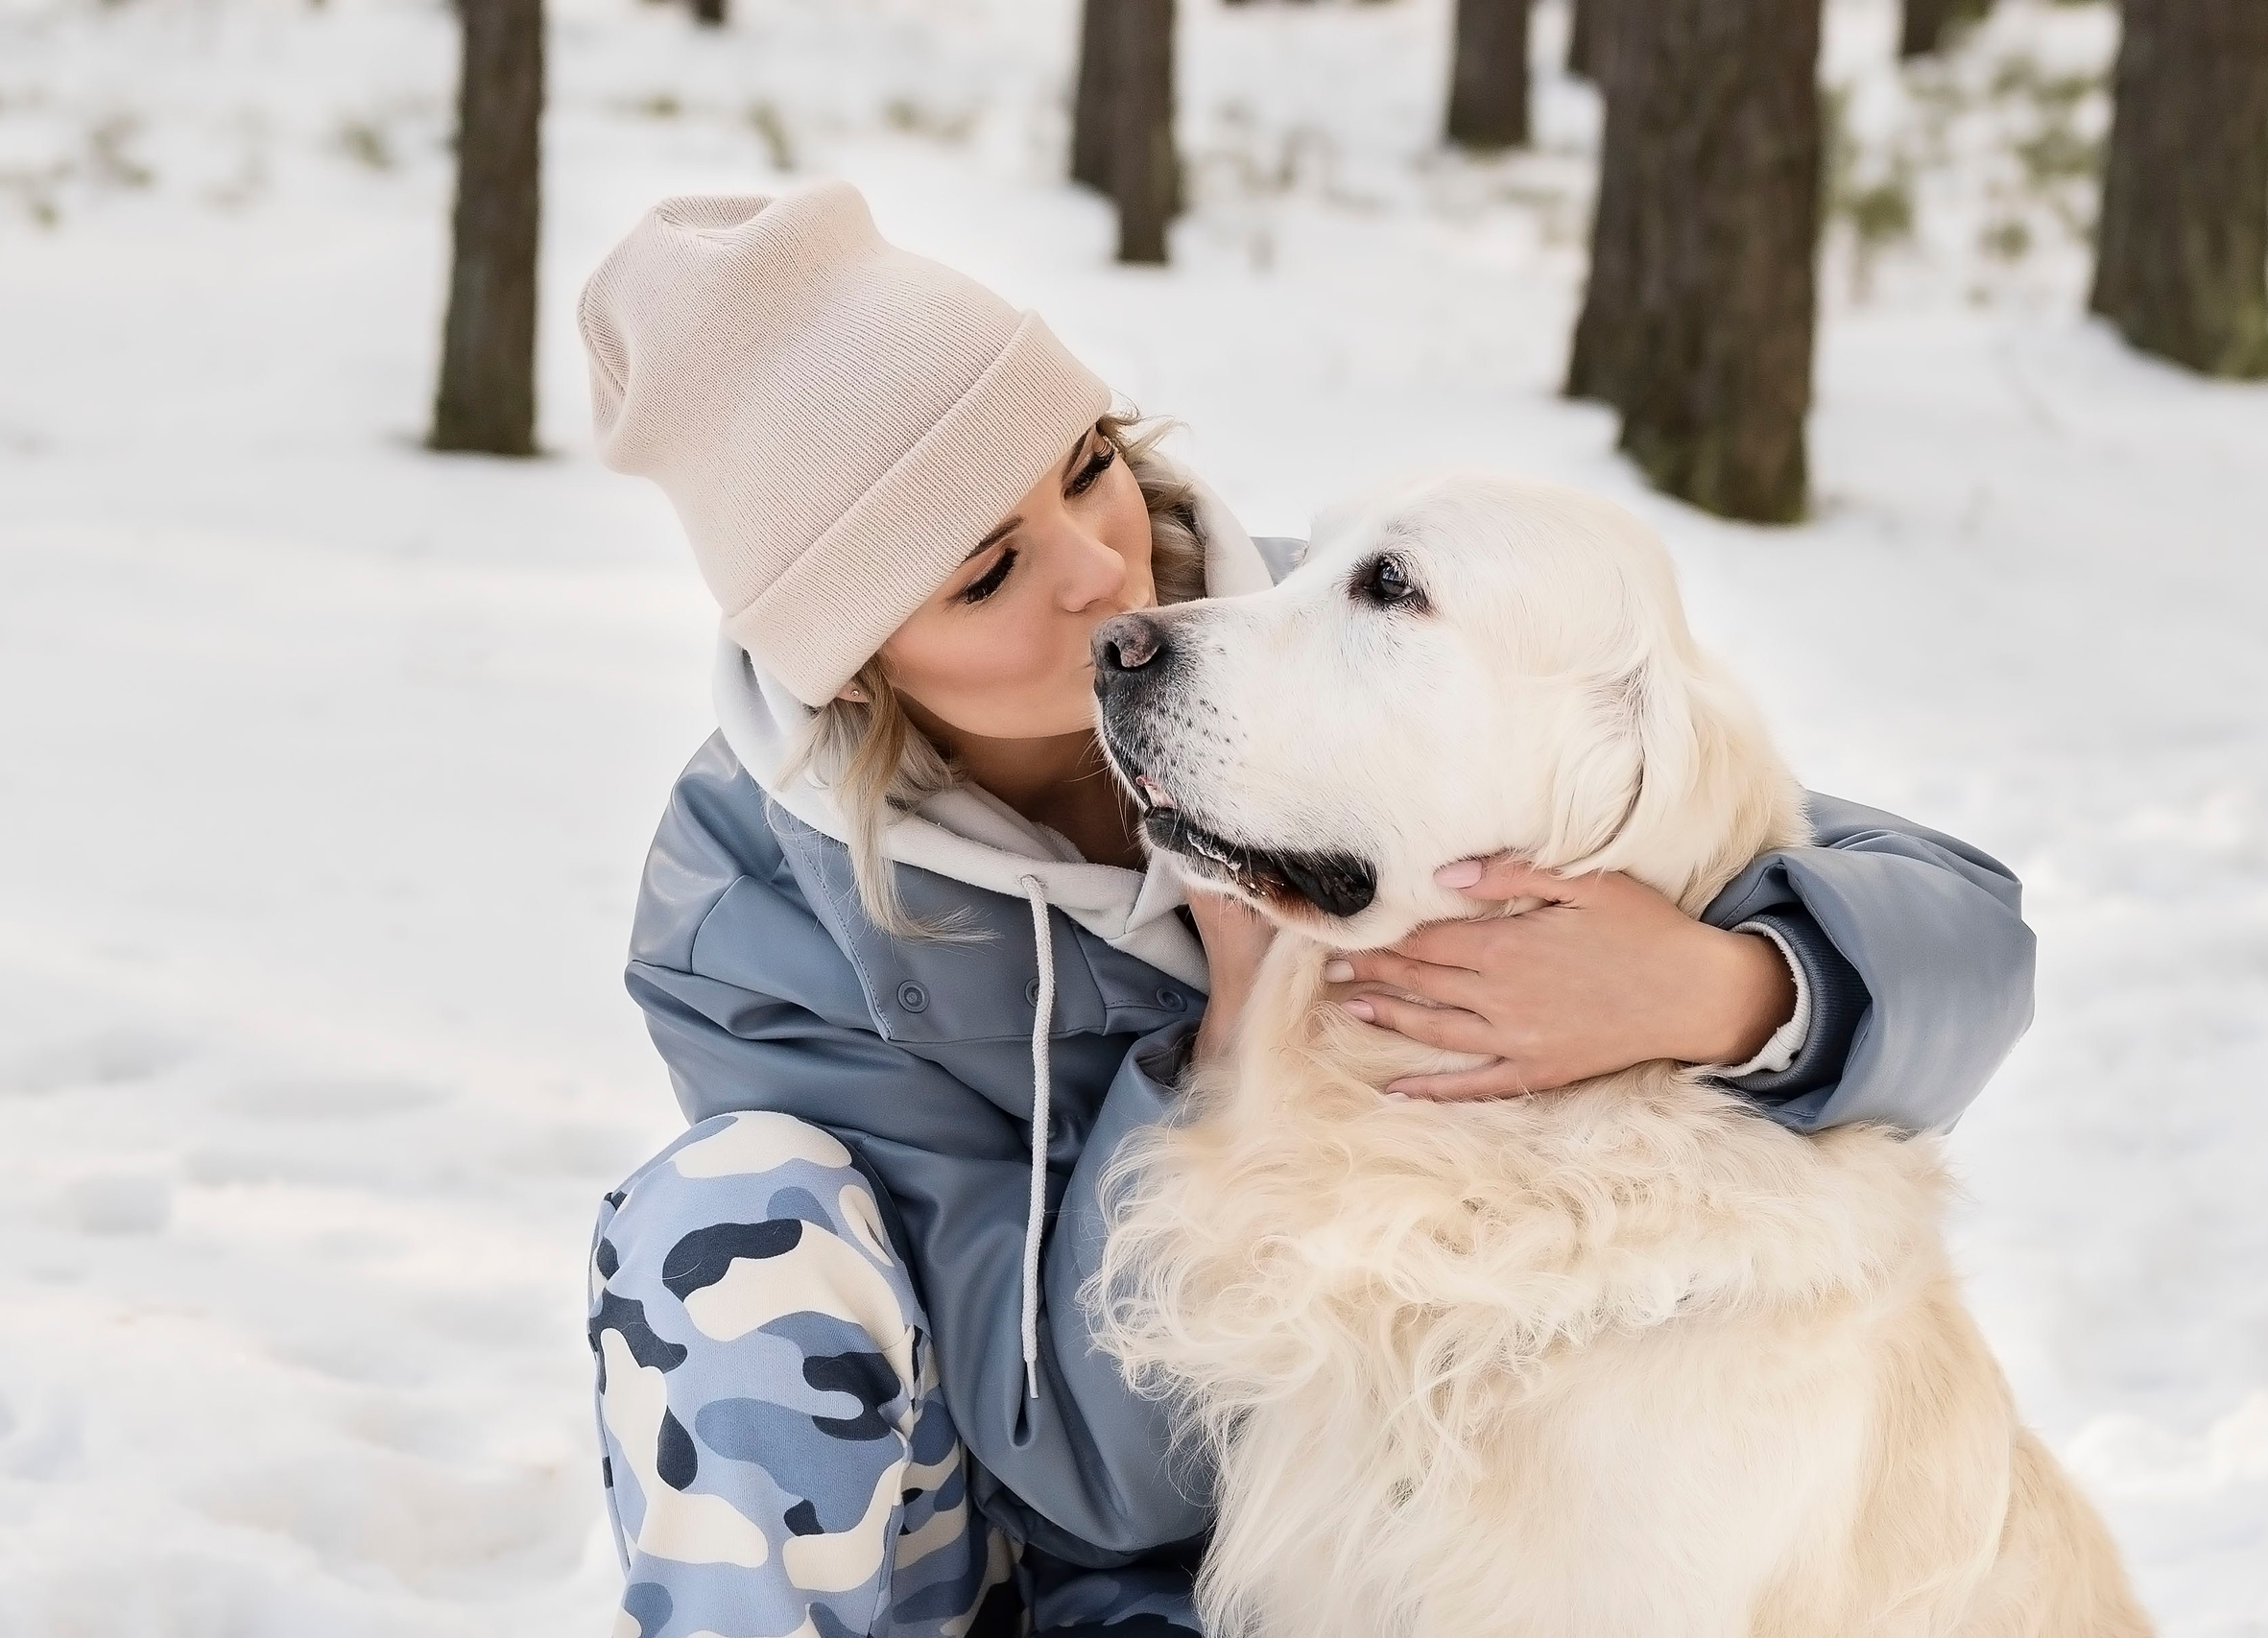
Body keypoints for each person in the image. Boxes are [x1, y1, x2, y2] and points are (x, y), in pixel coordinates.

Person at [577, 181, 2036, 1638]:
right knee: (722, 1222)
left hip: (1363, 1531)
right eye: (992, 571)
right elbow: (1085, 1481)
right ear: (852, 667)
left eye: (1087, 467)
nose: (1107, 579)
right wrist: (1232, 1042)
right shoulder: (756, 924)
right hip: (1050, 1540)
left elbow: (1934, 917)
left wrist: (1721, 988)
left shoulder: (1312, 635)